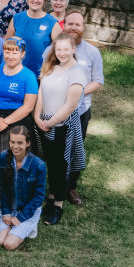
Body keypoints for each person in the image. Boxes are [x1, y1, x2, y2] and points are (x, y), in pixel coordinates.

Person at [34, 33, 86, 226]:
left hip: (62, 124)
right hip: (43, 122)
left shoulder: (77, 72)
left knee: (60, 165)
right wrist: (37, 116)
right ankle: (51, 195)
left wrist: (50, 123)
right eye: (59, 49)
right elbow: (41, 93)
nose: (62, 53)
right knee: (49, 162)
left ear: (73, 49)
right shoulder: (50, 67)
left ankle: (58, 204)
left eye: (66, 49)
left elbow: (70, 106)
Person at [61, 11, 104, 206]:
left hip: (80, 110)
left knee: (75, 149)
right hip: (55, 109)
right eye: (70, 23)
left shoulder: (93, 52)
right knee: (54, 149)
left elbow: (98, 82)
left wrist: (76, 93)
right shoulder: (52, 50)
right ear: (64, 25)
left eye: (78, 24)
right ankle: (54, 187)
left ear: (83, 27)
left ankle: (70, 187)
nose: (74, 28)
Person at [0, 37, 39, 160]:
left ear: (22, 54)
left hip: (17, 119)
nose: (10, 56)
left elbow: (28, 107)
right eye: (7, 52)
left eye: (15, 52)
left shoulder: (29, 76)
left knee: (14, 165)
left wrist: (4, 122)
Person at [0, 126, 46, 251]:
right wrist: (5, 211)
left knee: (9, 244)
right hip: (9, 206)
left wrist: (20, 218)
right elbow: (4, 188)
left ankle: (27, 225)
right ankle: (11, 226)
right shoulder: (3, 157)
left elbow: (39, 197)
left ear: (28, 143)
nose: (15, 146)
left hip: (27, 210)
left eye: (20, 143)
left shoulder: (38, 165)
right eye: (12, 142)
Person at [7, 0, 61, 76]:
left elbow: (60, 50)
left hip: (40, 75)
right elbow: (6, 44)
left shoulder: (52, 23)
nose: (36, 0)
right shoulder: (17, 19)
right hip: (16, 73)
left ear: (44, 1)